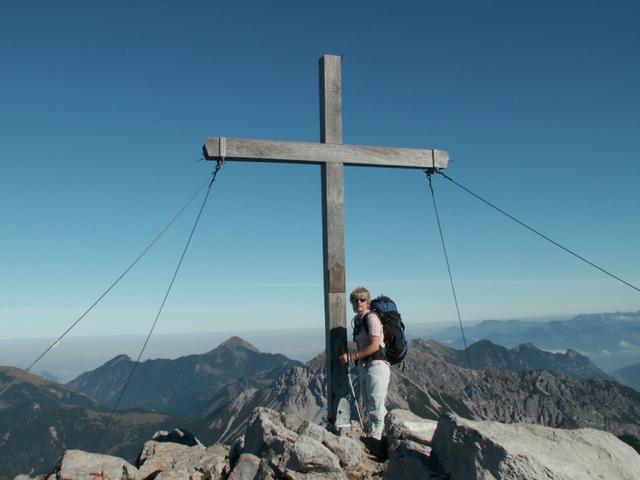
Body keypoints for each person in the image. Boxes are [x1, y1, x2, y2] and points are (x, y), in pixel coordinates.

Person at [339, 287, 391, 440]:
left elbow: (374, 345)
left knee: (376, 404)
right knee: (369, 403)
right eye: (355, 300)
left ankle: (377, 439)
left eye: (362, 299)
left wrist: (352, 356)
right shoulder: (357, 320)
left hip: (377, 365)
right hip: (364, 366)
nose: (358, 302)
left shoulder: (372, 318)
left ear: (368, 302)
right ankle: (378, 436)